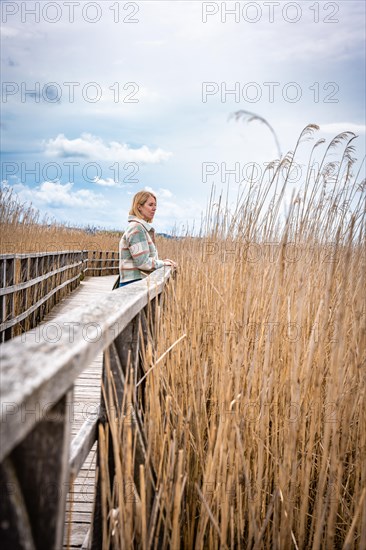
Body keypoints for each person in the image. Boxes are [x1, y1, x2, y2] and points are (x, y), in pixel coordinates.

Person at [118, 190, 177, 287]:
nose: (155, 208)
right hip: (133, 284)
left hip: (135, 283)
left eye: (155, 205)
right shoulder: (136, 228)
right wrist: (163, 263)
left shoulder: (139, 227)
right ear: (139, 207)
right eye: (150, 205)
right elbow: (143, 263)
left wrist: (161, 262)